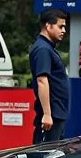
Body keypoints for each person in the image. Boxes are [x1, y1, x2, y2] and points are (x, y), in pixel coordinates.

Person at [29, 9, 70, 143]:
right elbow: (42, 80)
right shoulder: (43, 49)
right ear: (48, 25)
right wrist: (47, 114)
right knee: (45, 157)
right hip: (50, 116)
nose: (64, 30)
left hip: (56, 114)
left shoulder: (48, 48)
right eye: (60, 26)